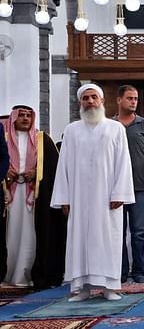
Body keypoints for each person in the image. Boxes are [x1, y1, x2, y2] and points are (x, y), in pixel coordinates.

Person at [51, 84, 135, 301]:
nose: (90, 101)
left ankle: (109, 288)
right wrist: (64, 198)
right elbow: (63, 166)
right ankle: (83, 288)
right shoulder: (71, 130)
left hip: (107, 198)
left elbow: (123, 163)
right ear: (80, 102)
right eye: (85, 98)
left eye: (94, 97)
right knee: (80, 241)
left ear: (101, 100)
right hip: (78, 198)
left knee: (108, 239)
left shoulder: (116, 129)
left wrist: (120, 193)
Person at [1, 105, 65, 288]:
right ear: (13, 118)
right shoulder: (3, 138)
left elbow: (54, 168)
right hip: (9, 195)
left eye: (29, 115)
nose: (25, 119)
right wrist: (6, 173)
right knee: (10, 234)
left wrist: (36, 173)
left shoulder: (42, 139)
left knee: (30, 234)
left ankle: (31, 274)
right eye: (21, 115)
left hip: (34, 197)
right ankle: (8, 274)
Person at [114, 85, 144, 284]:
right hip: (115, 189)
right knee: (118, 232)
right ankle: (121, 271)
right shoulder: (109, 125)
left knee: (139, 232)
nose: (133, 102)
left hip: (140, 186)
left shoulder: (143, 125)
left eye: (135, 99)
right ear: (119, 100)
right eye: (129, 98)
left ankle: (138, 271)